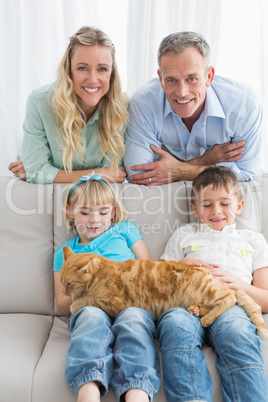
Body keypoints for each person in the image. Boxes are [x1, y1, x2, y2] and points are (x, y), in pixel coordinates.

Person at [157, 166, 268, 401]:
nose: (216, 211)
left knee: (237, 331)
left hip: (232, 305)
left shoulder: (253, 240)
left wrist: (240, 284)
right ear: (194, 209)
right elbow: (159, 285)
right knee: (173, 324)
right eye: (206, 205)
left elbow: (265, 299)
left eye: (225, 203)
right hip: (186, 306)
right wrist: (179, 267)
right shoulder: (183, 234)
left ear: (239, 206)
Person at [53, 172, 160, 402]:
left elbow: (147, 271)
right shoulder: (66, 253)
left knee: (134, 321)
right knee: (90, 318)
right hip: (91, 307)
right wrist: (82, 291)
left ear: (112, 212)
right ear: (70, 211)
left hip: (129, 304)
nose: (94, 220)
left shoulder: (124, 230)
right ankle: (88, 391)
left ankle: (137, 391)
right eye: (85, 212)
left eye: (102, 212)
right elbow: (63, 303)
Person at [124, 31, 263, 186]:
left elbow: (246, 173)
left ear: (209, 76)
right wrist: (205, 161)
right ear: (161, 79)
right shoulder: (144, 103)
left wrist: (180, 171)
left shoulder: (244, 107)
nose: (182, 92)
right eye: (171, 80)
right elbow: (138, 176)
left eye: (191, 78)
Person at [8, 26, 128, 184]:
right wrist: (97, 173)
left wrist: (47, 173)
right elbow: (37, 171)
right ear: (68, 70)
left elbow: (113, 175)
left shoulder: (120, 105)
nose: (92, 79)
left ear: (111, 74)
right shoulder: (39, 102)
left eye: (102, 69)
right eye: (82, 68)